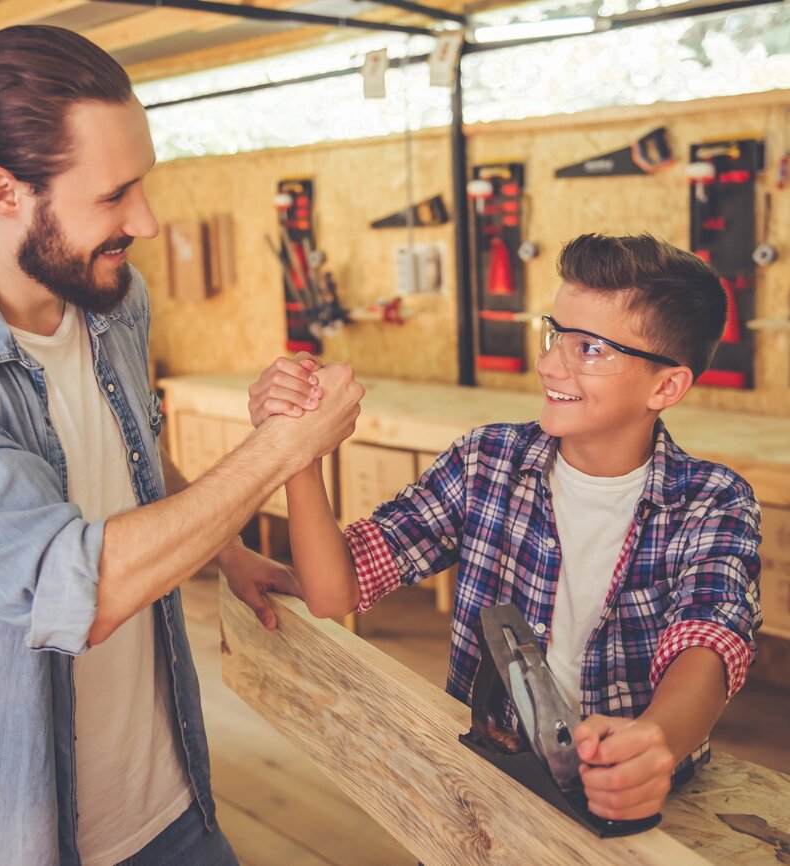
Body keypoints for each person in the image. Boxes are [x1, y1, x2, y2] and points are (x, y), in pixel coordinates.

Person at [0, 25, 364, 866]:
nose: (143, 220)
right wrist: (282, 452)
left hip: (167, 798)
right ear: (2, 191)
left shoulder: (108, 294)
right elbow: (69, 587)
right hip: (1, 830)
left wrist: (230, 551)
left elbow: (129, 445)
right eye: (114, 196)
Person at [249, 233, 762, 822]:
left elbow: (708, 642)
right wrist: (298, 447)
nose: (549, 364)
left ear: (666, 386)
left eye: (590, 349)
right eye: (555, 335)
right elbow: (332, 590)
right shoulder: (485, 463)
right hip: (486, 785)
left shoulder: (713, 501)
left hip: (636, 802)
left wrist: (654, 744)